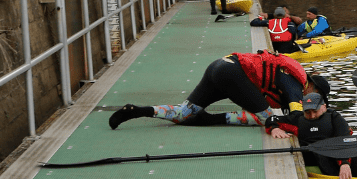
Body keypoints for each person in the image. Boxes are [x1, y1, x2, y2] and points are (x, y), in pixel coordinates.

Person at [108, 51, 328, 129]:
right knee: (267, 119)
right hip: (233, 75)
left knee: (183, 114)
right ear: (312, 85)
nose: (312, 101)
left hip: (219, 66)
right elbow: (298, 116)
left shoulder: (291, 74)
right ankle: (210, 120)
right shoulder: (296, 85)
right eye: (315, 96)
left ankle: (139, 111)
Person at [266, 92, 357, 179]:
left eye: (315, 111)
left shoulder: (334, 118)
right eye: (308, 112)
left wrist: (344, 163)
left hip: (334, 154)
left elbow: (344, 139)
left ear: (323, 106)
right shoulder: (298, 118)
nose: (312, 115)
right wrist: (274, 128)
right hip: (311, 156)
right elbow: (272, 119)